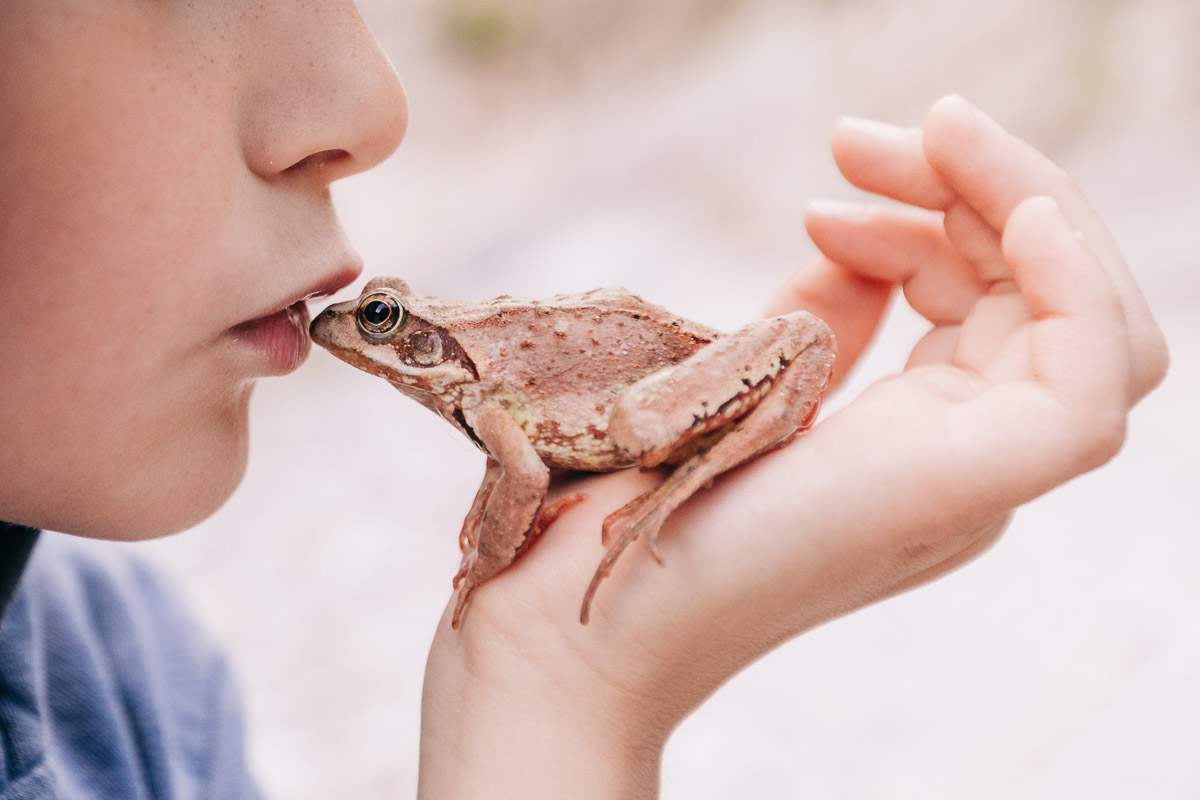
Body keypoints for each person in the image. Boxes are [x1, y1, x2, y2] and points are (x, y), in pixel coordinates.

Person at [0, 2, 1168, 798]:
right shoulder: (133, 693)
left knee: (642, 427)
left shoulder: (134, 680)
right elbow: (514, 473)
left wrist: (554, 687)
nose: (372, 107)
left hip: (648, 385)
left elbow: (517, 474)